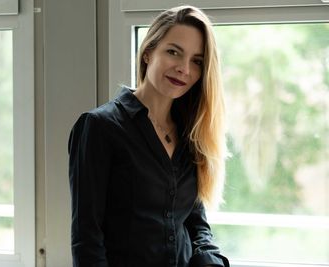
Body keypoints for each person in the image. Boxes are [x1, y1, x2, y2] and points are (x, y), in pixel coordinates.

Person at [68, 5, 230, 267]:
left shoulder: (191, 133)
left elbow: (194, 222)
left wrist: (211, 260)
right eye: (173, 52)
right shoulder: (99, 127)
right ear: (148, 53)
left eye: (197, 61)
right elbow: (87, 238)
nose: (184, 69)